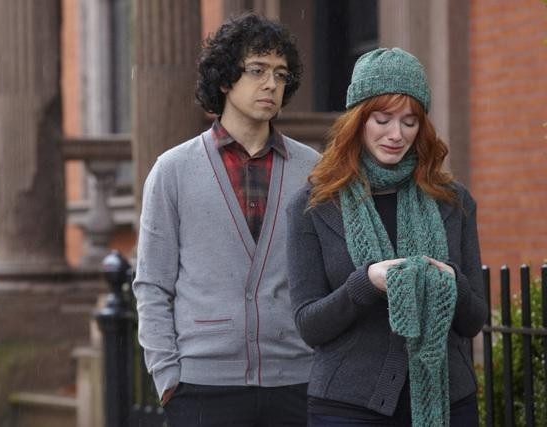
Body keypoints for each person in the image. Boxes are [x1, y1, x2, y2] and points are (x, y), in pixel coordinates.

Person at [132, 12, 320, 427]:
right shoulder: (173, 170)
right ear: (224, 80)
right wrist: (167, 378)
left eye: (280, 73)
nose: (271, 83)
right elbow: (152, 284)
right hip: (202, 390)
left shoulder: (314, 172)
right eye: (256, 70)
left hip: (297, 385)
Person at [286, 47, 487, 426]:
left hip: (448, 402)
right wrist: (365, 283)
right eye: (382, 119)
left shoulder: (452, 201)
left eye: (410, 122)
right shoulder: (315, 206)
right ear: (358, 121)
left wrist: (451, 282)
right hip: (348, 408)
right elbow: (309, 325)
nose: (397, 134)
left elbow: (474, 320)